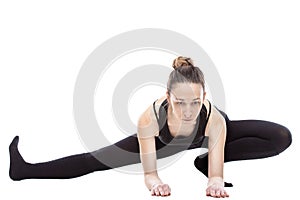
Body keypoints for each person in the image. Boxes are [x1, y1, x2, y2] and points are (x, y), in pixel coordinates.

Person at [9, 56, 292, 198]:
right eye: (180, 103)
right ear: (168, 97)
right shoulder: (150, 119)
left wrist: (214, 180)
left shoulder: (213, 119)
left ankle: (200, 162)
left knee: (280, 137)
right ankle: (25, 171)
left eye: (195, 102)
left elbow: (217, 176)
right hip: (164, 141)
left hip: (207, 139)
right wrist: (155, 183)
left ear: (204, 97)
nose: (189, 111)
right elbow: (150, 174)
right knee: (95, 160)